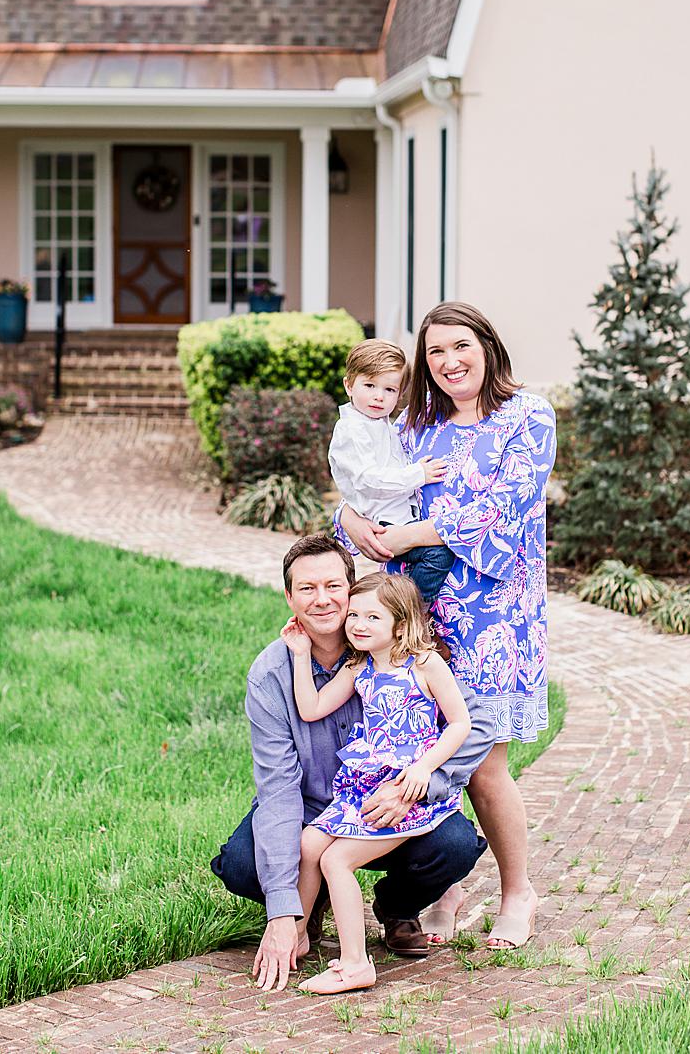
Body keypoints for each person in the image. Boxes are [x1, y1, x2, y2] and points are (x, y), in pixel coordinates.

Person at [338, 302, 556, 951]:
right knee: (424, 754)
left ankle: (519, 894)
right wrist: (351, 524)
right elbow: (369, 488)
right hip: (418, 622)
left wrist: (409, 533)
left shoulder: (527, 417)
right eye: (435, 352)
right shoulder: (414, 425)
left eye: (460, 346)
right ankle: (446, 889)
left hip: (492, 619)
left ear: (487, 345)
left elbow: (503, 508)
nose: (449, 361)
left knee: (484, 765)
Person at [210, 534, 494, 993]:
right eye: (306, 588)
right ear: (289, 597)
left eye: (333, 587)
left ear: (350, 587)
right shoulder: (274, 673)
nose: (322, 600)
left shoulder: (397, 650)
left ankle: (395, 909)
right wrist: (282, 914)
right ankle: (303, 918)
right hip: (322, 803)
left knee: (455, 844)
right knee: (247, 863)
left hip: (397, 796)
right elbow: (280, 783)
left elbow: (474, 722)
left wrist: (420, 779)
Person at [282, 573, 471, 994]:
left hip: (406, 788)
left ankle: (354, 964)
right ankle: (296, 936)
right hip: (363, 784)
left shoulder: (424, 664)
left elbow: (460, 723)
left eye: (373, 617)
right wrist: (299, 654)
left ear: (400, 625)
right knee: (310, 845)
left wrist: (424, 768)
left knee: (336, 861)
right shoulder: (359, 667)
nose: (359, 624)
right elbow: (311, 708)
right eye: (354, 615)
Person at [328, 339, 455, 603]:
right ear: (348, 385)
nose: (379, 396)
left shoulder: (380, 423)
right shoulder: (352, 430)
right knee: (438, 555)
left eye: (389, 389)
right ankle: (411, 609)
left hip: (396, 515)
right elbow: (368, 479)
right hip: (384, 522)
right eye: (370, 385)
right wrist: (417, 474)